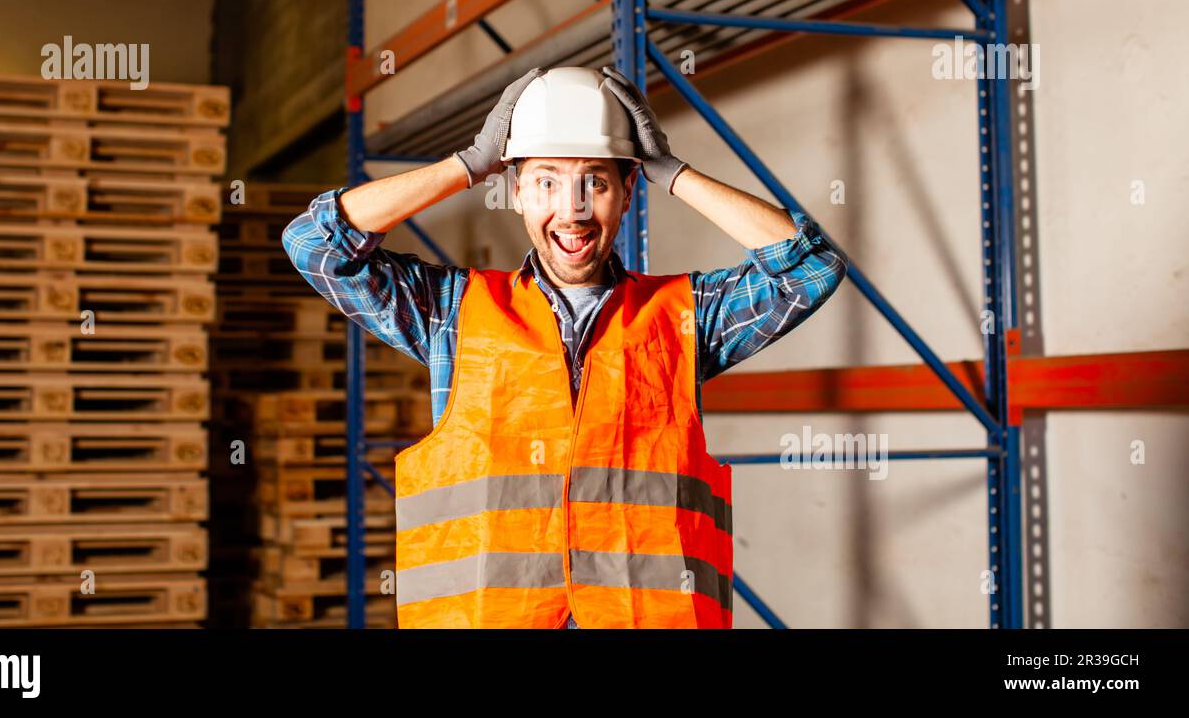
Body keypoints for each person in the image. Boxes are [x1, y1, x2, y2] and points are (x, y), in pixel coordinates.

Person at [282, 65, 848, 628]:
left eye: (596, 183)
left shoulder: (685, 317)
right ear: (518, 193)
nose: (572, 209)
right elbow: (316, 244)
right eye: (547, 181)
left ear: (628, 194)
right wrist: (470, 165)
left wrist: (672, 172)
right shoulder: (452, 312)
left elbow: (811, 267)